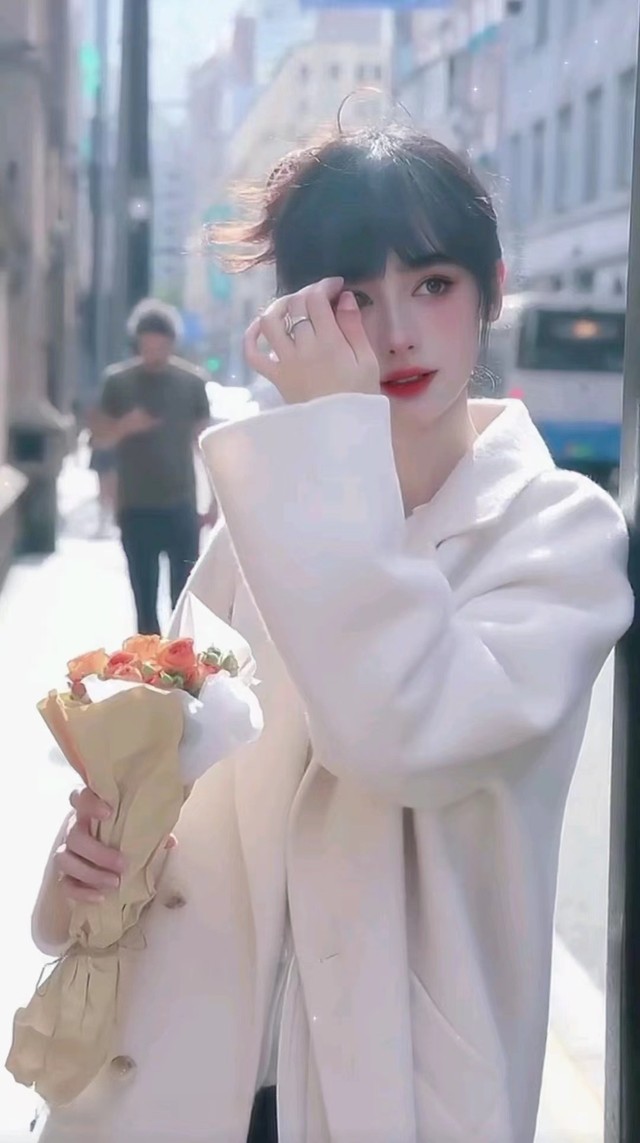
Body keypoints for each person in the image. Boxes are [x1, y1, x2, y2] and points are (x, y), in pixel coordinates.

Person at [30, 127, 632, 1143]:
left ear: (491, 289)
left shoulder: (557, 531)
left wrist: (329, 438)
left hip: (390, 1088)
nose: (395, 331)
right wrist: (88, 858)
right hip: (175, 1068)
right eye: (354, 295)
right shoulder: (267, 520)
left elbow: (401, 735)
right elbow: (175, 771)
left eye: (432, 284)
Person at [90, 303, 214, 634]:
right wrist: (124, 427)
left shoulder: (191, 383)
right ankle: (149, 666)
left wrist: (215, 502)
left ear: (171, 343)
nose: (153, 352)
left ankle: (182, 665)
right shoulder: (118, 382)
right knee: (144, 606)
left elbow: (207, 446)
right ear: (138, 342)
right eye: (147, 345)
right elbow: (99, 439)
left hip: (181, 505)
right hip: (136, 506)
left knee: (184, 603)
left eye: (160, 345)